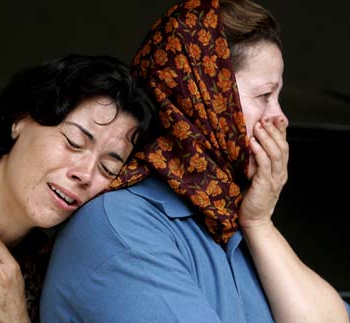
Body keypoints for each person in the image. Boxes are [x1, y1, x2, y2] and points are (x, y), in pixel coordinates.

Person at [40, 1, 350, 322]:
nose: (280, 118)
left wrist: (259, 223)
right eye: (264, 96)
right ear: (206, 98)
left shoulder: (226, 221)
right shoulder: (120, 228)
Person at [0, 54, 156, 322]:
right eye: (74, 142)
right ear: (20, 120)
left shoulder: (47, 269)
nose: (85, 174)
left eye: (108, 169)